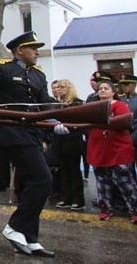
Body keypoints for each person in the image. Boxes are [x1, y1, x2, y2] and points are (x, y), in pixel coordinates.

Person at [0, 31, 57, 258]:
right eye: (33, 48)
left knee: (33, 184)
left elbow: (45, 103)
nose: (37, 52)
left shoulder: (38, 75)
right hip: (12, 134)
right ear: (20, 51)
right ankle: (15, 227)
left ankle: (30, 238)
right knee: (43, 178)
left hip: (33, 134)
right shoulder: (3, 69)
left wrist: (59, 120)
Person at [77, 79, 137, 223]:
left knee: (125, 181)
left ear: (113, 92)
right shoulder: (92, 107)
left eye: (106, 88)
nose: (103, 90)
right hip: (98, 147)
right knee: (102, 182)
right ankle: (106, 208)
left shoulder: (120, 105)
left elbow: (124, 123)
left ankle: (136, 210)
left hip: (117, 148)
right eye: (101, 88)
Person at [52, 79, 86, 211]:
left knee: (74, 171)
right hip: (61, 140)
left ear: (69, 88)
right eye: (58, 87)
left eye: (62, 87)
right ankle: (65, 197)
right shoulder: (59, 104)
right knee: (63, 171)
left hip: (73, 140)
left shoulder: (77, 103)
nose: (58, 89)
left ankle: (78, 199)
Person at [118, 74, 137, 194]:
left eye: (126, 84)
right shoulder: (120, 100)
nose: (124, 87)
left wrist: (132, 140)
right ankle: (133, 198)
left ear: (134, 85)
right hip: (123, 140)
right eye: (122, 84)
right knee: (127, 172)